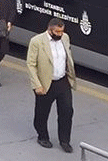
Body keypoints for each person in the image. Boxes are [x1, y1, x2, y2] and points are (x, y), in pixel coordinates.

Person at [26, 17, 76, 153]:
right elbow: (31, 64)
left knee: (67, 111)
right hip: (45, 83)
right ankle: (42, 136)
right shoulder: (37, 41)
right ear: (50, 29)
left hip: (62, 81)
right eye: (57, 32)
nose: (60, 34)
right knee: (42, 112)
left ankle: (65, 140)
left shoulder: (65, 38)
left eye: (62, 31)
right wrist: (37, 85)